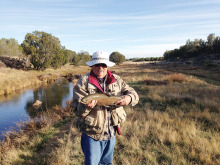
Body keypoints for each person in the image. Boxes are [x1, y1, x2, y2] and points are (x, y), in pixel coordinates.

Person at [72, 50, 139, 165]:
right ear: (92, 65)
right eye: (97, 64)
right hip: (92, 134)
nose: (100, 68)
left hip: (111, 133)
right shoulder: (83, 82)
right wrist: (86, 107)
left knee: (107, 163)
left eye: (103, 65)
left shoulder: (116, 79)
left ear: (107, 66)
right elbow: (78, 110)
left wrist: (129, 98)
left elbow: (133, 93)